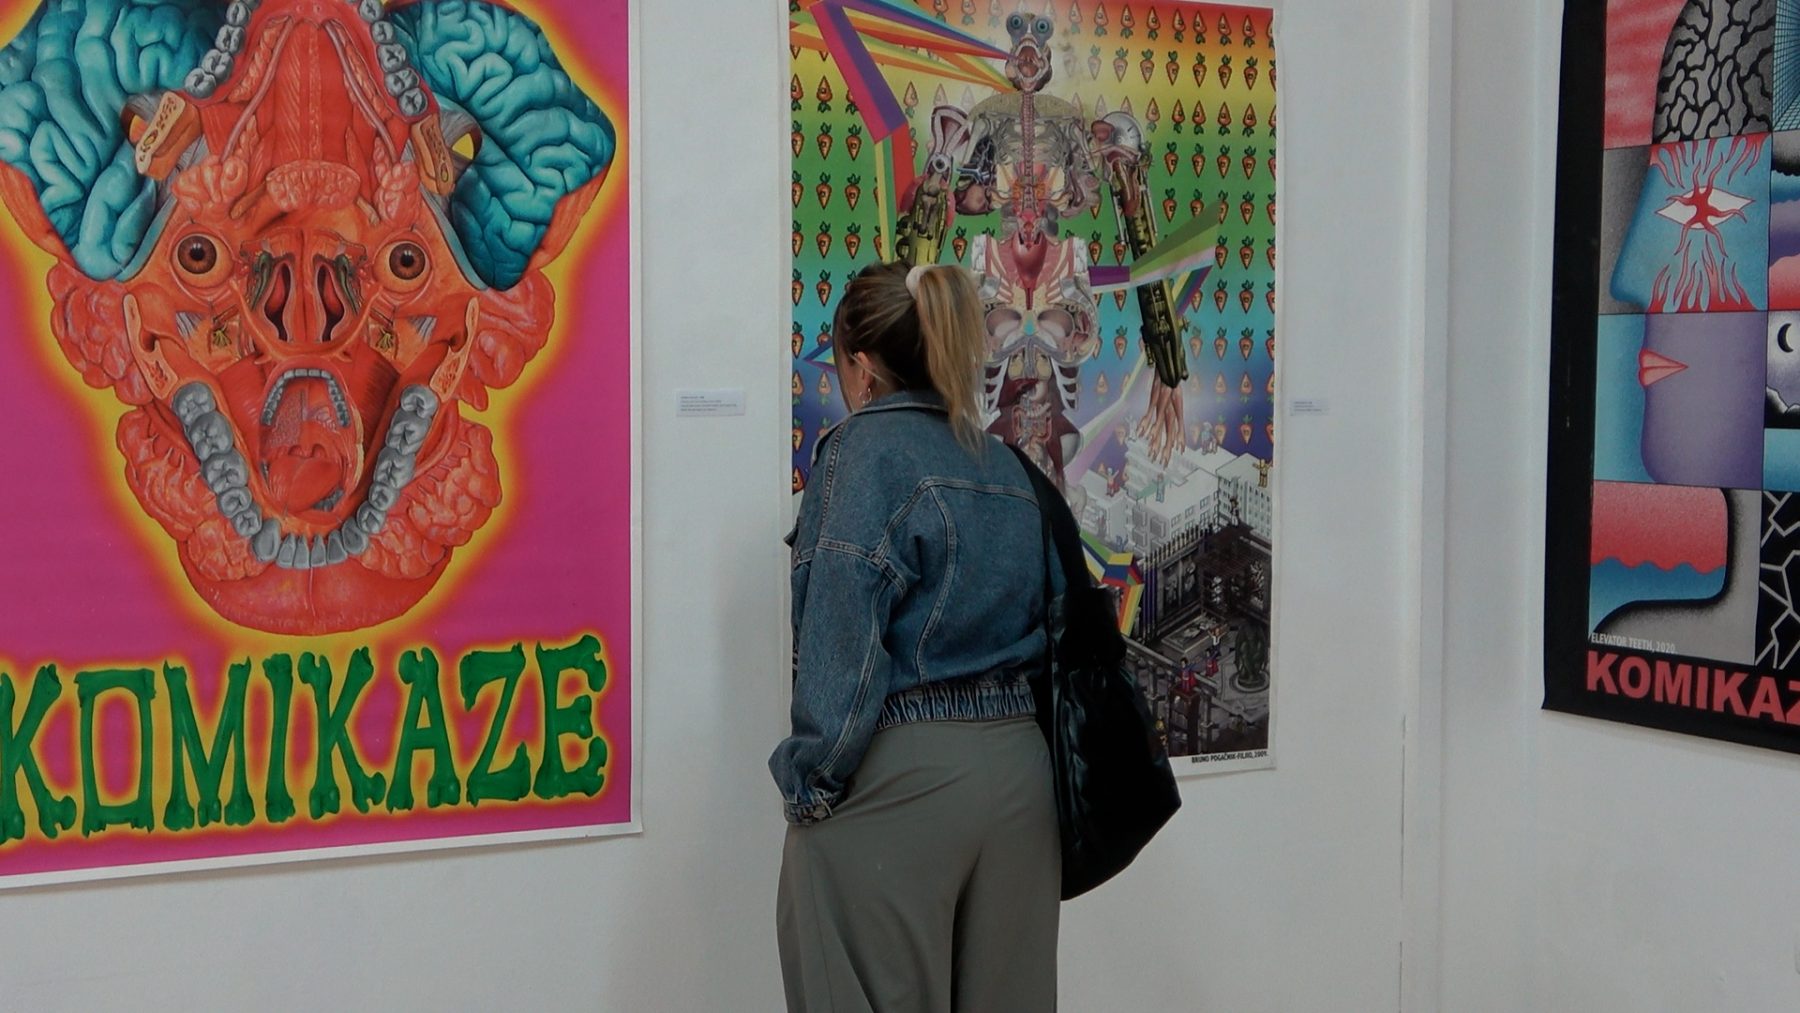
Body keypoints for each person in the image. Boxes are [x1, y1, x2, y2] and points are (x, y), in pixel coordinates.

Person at [772, 260, 1061, 1012]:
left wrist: (811, 785)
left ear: (862, 366)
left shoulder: (860, 451)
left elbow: (842, 626)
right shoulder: (1005, 464)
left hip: (904, 777)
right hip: (1021, 782)